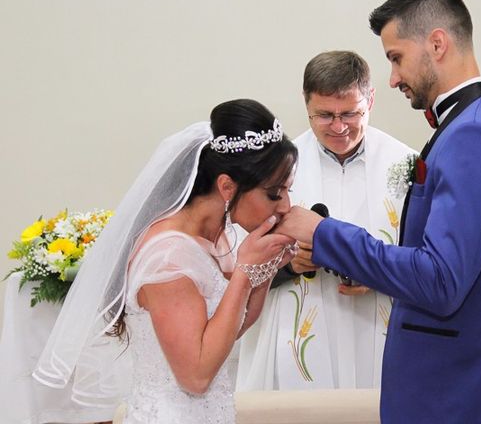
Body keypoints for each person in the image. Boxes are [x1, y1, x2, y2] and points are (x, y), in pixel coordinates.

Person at [276, 0, 481, 423]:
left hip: (462, 390)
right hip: (459, 381)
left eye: (396, 57)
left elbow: (441, 280)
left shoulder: (477, 133)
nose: (394, 76)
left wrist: (324, 234)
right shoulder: (477, 123)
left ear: (436, 44)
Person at [33, 99, 299, 423]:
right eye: (274, 193)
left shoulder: (219, 234)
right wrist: (245, 271)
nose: (285, 205)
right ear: (227, 186)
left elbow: (233, 327)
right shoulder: (168, 257)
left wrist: (266, 266)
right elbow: (196, 377)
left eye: (288, 191)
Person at [236, 51, 416, 390]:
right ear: (306, 104)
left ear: (371, 99)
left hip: (379, 328)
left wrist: (377, 273)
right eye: (324, 115)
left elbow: (429, 261)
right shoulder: (271, 170)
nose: (338, 127)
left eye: (350, 112)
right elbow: (237, 264)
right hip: (298, 329)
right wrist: (291, 265)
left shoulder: (409, 166)